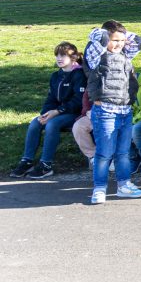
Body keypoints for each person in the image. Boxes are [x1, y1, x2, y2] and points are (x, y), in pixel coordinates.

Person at [86, 22, 141, 204]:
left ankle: (124, 185)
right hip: (105, 111)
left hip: (125, 110)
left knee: (123, 153)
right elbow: (98, 39)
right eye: (114, 40)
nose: (118, 44)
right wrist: (103, 33)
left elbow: (138, 41)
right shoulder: (97, 56)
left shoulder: (126, 54)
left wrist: (123, 35)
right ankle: (100, 188)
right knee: (104, 153)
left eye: (121, 40)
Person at [10, 42, 85, 179]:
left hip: (75, 113)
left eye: (63, 55)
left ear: (73, 57)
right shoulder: (56, 76)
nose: (59, 58)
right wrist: (45, 113)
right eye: (57, 55)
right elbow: (51, 99)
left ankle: (46, 165)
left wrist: (57, 111)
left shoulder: (79, 75)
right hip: (58, 112)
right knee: (35, 123)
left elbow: (78, 101)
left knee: (52, 124)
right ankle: (27, 161)